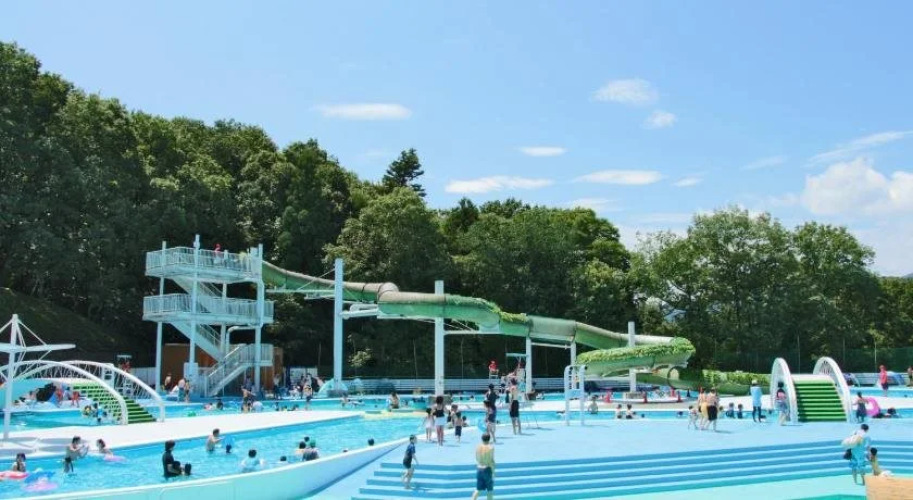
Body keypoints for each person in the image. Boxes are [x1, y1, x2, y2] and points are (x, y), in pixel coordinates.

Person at [471, 433, 495, 500]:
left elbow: (477, 458)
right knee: (490, 491)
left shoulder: (478, 447)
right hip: (487, 469)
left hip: (479, 469)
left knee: (478, 489)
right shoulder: (491, 448)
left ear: (482, 439)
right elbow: (491, 461)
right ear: (489, 439)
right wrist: (493, 472)